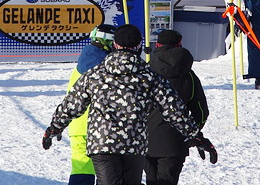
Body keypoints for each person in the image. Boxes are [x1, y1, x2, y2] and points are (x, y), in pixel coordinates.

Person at [42, 25, 217, 185]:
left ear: (115, 45)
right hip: (134, 145)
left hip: (102, 143)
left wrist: (54, 128)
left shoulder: (95, 74)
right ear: (139, 46)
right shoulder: (149, 76)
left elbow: (72, 104)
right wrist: (196, 136)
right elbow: (174, 109)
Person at [145, 29, 209, 185]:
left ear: (157, 45)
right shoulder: (189, 76)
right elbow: (201, 110)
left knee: (151, 180)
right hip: (175, 141)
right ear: (180, 45)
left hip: (144, 140)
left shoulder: (144, 72)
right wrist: (192, 133)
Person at [67, 25, 117, 185]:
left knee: (81, 171)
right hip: (103, 127)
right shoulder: (107, 67)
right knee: (109, 174)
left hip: (79, 126)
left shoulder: (82, 62)